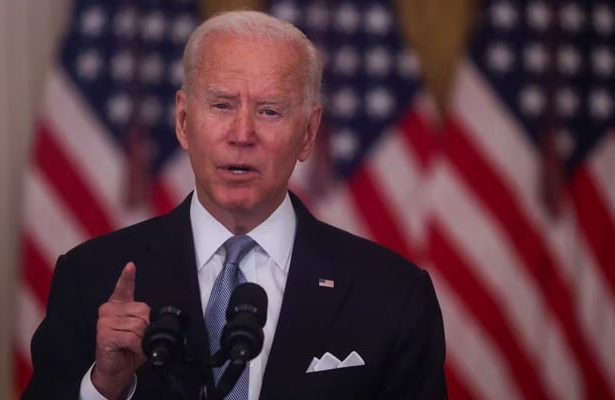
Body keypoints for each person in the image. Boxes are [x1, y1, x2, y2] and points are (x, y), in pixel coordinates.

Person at [22, 10, 447, 400]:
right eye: (222, 105)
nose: (242, 134)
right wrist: (104, 386)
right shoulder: (90, 278)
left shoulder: (392, 294)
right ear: (184, 121)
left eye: (269, 111)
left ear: (308, 133)